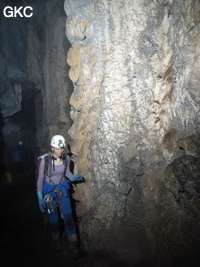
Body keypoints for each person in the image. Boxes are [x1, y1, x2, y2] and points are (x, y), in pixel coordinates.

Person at [36, 135, 86, 259]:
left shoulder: (66, 159)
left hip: (62, 191)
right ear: (52, 148)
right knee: (54, 220)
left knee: (68, 218)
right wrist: (40, 198)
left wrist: (73, 177)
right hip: (49, 193)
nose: (60, 151)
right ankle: (56, 243)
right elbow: (40, 180)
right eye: (57, 149)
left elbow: (67, 173)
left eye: (61, 148)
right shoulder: (45, 161)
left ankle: (75, 248)